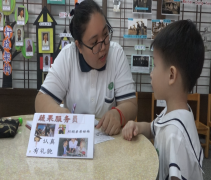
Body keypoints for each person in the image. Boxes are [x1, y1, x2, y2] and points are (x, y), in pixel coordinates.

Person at [35, 0, 137, 136]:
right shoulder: (67, 56)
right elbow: (41, 100)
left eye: (105, 34)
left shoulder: (116, 54)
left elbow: (131, 104)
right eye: (94, 42)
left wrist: (118, 114)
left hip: (109, 142)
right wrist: (60, 114)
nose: (103, 47)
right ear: (79, 46)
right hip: (74, 140)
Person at [122, 20, 204, 179]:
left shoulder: (175, 135)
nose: (151, 73)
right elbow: (153, 129)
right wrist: (136, 126)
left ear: (171, 75)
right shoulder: (175, 112)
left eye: (155, 65)